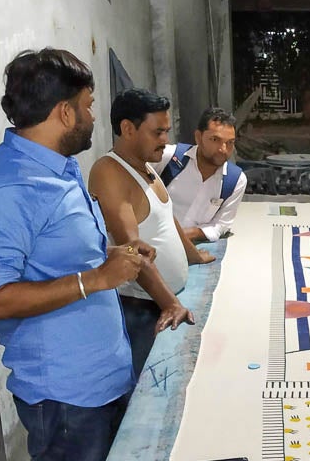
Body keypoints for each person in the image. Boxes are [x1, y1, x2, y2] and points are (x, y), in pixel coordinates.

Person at [0, 48, 144, 461]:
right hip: (64, 397)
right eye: (89, 105)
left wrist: (115, 256)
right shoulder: (12, 190)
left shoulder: (58, 168)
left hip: (99, 381)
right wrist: (97, 279)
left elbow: (67, 258)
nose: (94, 115)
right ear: (64, 113)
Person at [88, 89, 215, 376]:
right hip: (143, 307)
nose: (165, 141)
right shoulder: (109, 173)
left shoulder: (145, 167)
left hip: (164, 302)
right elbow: (132, 251)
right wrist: (170, 304)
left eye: (166, 132)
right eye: (157, 132)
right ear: (127, 129)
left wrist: (193, 256)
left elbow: (166, 219)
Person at [158, 107, 246, 243]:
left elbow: (221, 225)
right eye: (215, 139)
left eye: (230, 143)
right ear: (198, 137)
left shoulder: (235, 180)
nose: (223, 149)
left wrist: (184, 235)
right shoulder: (169, 157)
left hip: (194, 248)